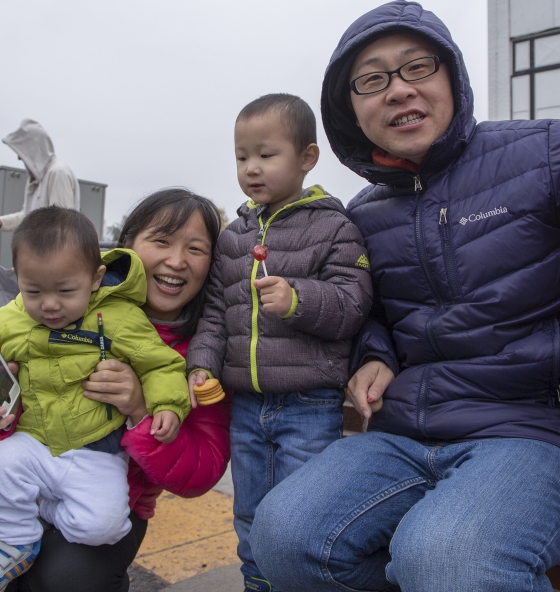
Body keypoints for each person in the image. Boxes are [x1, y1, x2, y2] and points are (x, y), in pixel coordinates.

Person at [248, 2, 560, 592]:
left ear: (453, 78)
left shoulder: (542, 154)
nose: (397, 90)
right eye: (371, 79)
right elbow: (375, 312)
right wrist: (376, 353)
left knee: (443, 557)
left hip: (530, 427)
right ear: (351, 111)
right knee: (284, 536)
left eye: (417, 67)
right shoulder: (361, 215)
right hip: (405, 430)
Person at [0, 189, 230, 592]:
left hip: (105, 488)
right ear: (127, 245)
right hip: (23, 467)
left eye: (196, 248)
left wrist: (140, 408)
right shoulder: (51, 298)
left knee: (62, 579)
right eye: (161, 240)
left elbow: (201, 471)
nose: (176, 260)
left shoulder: (204, 352)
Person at [186, 93, 372, 592]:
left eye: (266, 155)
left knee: (298, 518)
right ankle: (258, 586)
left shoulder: (334, 226)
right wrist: (199, 365)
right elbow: (214, 317)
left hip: (310, 403)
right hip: (246, 403)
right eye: (242, 156)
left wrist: (298, 299)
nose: (252, 168)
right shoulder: (232, 238)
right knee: (248, 512)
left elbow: (353, 305)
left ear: (307, 157)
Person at [0, 119, 80, 233]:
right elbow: (28, 217)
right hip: (36, 250)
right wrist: (1, 222)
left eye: (22, 152)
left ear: (33, 149)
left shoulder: (58, 172)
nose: (19, 158)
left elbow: (62, 224)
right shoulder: (36, 178)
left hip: (49, 250)